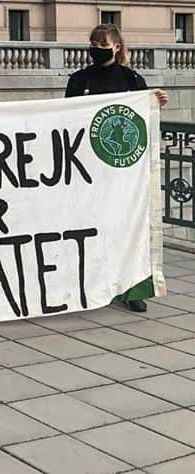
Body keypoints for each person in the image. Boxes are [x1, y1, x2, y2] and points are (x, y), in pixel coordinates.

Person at [66, 23, 169, 313]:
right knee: (89, 227)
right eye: (92, 44)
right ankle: (87, 283)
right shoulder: (78, 80)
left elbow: (141, 117)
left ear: (117, 46)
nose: (96, 49)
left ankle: (131, 289)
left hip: (123, 171)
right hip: (88, 167)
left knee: (128, 228)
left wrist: (157, 103)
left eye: (102, 44)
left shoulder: (132, 79)